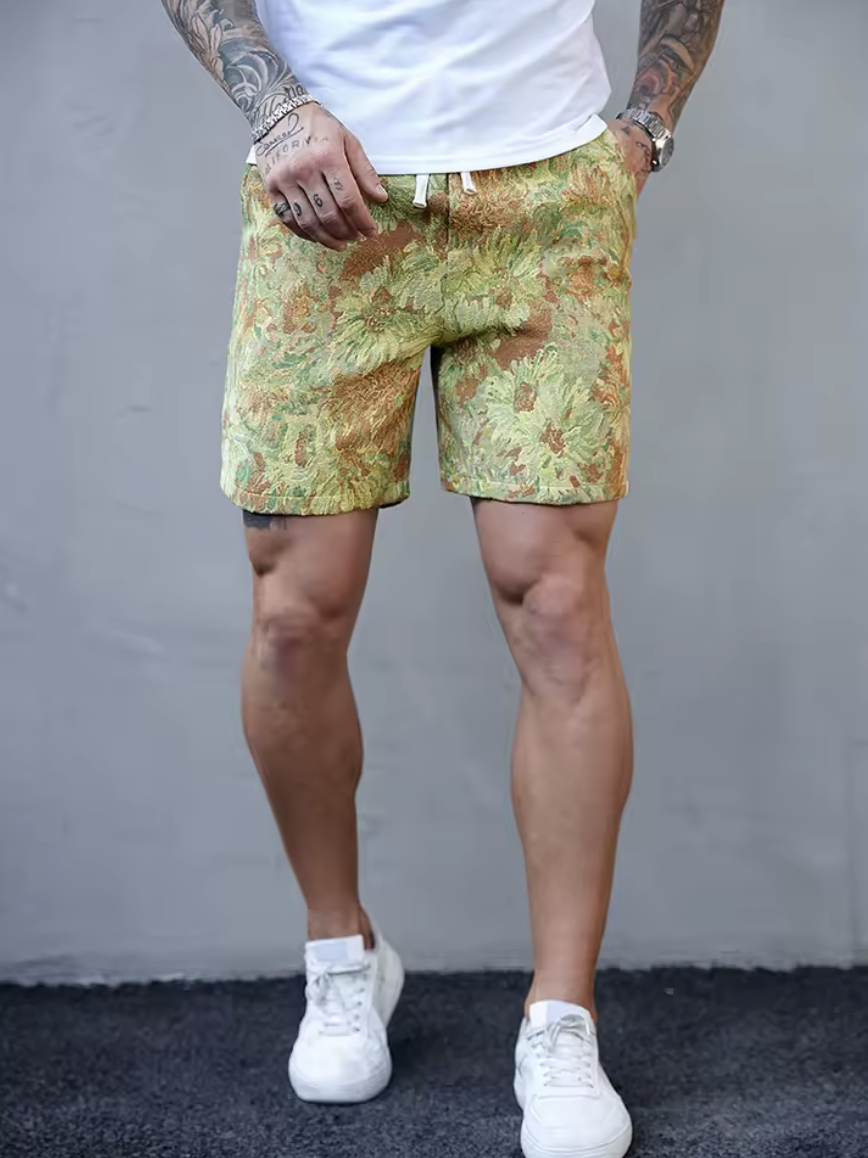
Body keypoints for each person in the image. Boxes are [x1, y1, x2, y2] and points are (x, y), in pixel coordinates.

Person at [161, 2, 725, 1155]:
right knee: (294, 615)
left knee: (556, 604)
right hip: (322, 192)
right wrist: (277, 110)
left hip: (548, 197)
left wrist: (646, 124)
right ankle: (342, 956)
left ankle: (561, 1019)